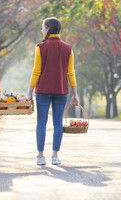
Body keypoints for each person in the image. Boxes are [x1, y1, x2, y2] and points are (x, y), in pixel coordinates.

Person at [28, 17, 79, 166]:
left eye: (43, 27)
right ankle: (55, 156)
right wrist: (75, 94)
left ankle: (40, 156)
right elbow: (71, 73)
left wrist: (30, 93)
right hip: (61, 90)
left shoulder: (40, 47)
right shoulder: (68, 48)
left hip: (42, 90)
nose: (42, 30)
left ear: (48, 29)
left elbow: (36, 71)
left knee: (41, 123)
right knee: (57, 123)